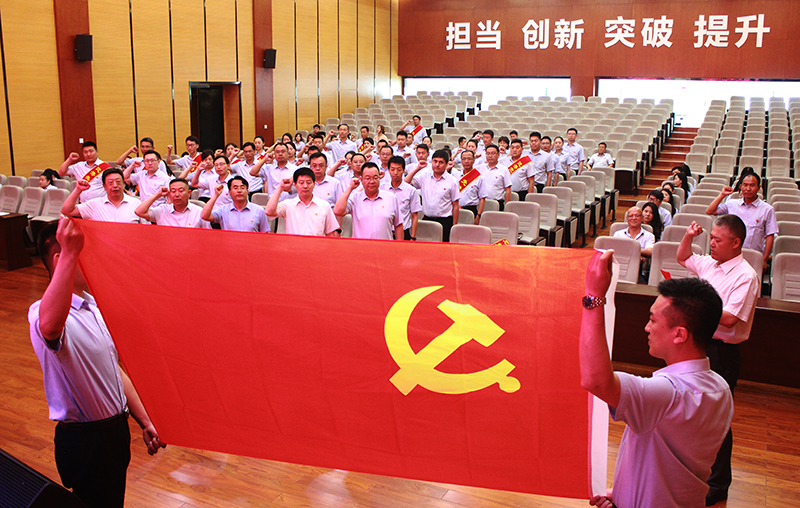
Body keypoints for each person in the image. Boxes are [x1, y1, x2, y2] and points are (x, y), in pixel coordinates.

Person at [29, 218, 165, 507]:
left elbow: (113, 369)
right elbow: (50, 326)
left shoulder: (92, 306)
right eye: (85, 253)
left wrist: (145, 420)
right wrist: (71, 250)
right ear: (61, 259)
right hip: (87, 441)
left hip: (114, 433)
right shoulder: (40, 312)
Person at [581, 250, 732, 508]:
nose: (646, 328)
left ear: (679, 334)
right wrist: (623, 492)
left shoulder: (668, 393)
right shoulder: (721, 388)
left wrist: (594, 297)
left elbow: (596, 381)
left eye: (653, 320)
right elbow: (668, 462)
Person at [677, 215, 760, 506]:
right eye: (710, 238)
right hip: (700, 345)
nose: (711, 243)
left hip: (721, 352)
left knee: (717, 417)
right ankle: (693, 470)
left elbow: (729, 318)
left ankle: (719, 483)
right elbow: (683, 257)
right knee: (691, 410)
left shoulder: (745, 275)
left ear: (736, 243)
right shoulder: (710, 264)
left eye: (717, 239)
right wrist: (689, 235)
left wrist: (693, 307)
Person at [705, 170, 777, 272]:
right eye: (745, 185)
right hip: (730, 255)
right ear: (740, 186)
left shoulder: (767, 209)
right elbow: (710, 211)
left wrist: (764, 259)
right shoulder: (732, 204)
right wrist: (722, 195)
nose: (748, 189)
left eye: (752, 185)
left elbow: (770, 235)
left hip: (753, 256)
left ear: (758, 188)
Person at [334, 162, 403, 241]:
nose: (372, 181)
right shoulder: (355, 198)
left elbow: (398, 225)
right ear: (361, 180)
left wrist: (399, 246)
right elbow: (338, 211)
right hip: (361, 246)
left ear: (380, 178)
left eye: (375, 178)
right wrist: (350, 188)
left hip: (385, 246)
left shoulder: (391, 198)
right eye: (367, 178)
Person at [266, 167, 339, 237]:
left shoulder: (324, 205)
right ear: (295, 185)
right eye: (301, 183)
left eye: (309, 182)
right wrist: (280, 188)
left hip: (316, 245)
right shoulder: (288, 205)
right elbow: (269, 212)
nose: (305, 186)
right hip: (294, 244)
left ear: (314, 185)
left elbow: (330, 233)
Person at [405, 149, 459, 241]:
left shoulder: (452, 181)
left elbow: (455, 205)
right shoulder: (424, 177)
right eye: (435, 161)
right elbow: (406, 183)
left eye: (441, 162)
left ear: (446, 164)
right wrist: (418, 168)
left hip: (445, 221)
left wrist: (454, 226)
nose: (437, 165)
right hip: (427, 219)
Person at [61, 168, 144, 224]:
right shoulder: (94, 205)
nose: (115, 185)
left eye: (118, 182)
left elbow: (145, 228)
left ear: (123, 184)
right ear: (104, 186)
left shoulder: (136, 203)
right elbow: (67, 211)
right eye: (110, 182)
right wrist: (78, 190)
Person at [201, 176, 270, 233]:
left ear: (247, 191)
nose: (239, 191)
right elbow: (204, 216)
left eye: (242, 188)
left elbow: (264, 234)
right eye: (235, 188)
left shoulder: (258, 210)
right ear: (229, 192)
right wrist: (216, 195)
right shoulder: (223, 210)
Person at [134, 178, 209, 228]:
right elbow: (139, 212)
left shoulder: (199, 212)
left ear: (189, 193)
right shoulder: (162, 210)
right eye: (173, 191)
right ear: (169, 194)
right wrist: (157, 195)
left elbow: (207, 234)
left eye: (181, 191)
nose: (177, 194)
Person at [381, 156, 421, 240]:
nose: (395, 173)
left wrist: (413, 237)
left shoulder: (411, 190)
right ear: (388, 170)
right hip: (385, 232)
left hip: (404, 231)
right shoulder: (382, 188)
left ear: (403, 170)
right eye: (392, 169)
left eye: (399, 170)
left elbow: (414, 215)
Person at [455, 150, 487, 224]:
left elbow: (482, 198)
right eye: (464, 159)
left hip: (471, 210)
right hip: (456, 209)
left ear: (473, 160)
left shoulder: (479, 178)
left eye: (469, 159)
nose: (466, 161)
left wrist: (478, 215)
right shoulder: (455, 176)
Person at [477, 144, 512, 209]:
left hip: (497, 202)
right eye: (488, 153)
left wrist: (507, 206)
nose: (490, 156)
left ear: (498, 155)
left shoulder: (504, 170)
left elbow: (508, 189)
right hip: (482, 203)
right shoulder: (480, 168)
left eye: (493, 153)